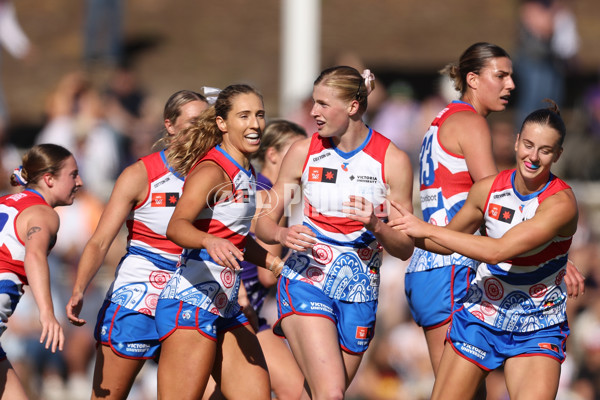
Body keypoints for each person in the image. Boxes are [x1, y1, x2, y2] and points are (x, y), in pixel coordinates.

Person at [391, 101, 581, 400]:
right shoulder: (488, 189)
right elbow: (445, 242)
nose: (533, 157)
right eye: (528, 145)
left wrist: (425, 228)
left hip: (538, 323)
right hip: (482, 316)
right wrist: (387, 228)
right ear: (517, 141)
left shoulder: (561, 203)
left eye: (544, 150)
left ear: (557, 154)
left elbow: (498, 251)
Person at [254, 66, 414, 398]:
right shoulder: (303, 151)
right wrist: (282, 236)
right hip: (306, 281)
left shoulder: (392, 160)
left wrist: (376, 224)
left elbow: (404, 247)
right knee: (332, 393)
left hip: (360, 293)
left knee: (314, 395)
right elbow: (263, 220)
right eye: (314, 103)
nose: (313, 112)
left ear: (353, 106)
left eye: (323, 104)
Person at [65, 90, 208, 399]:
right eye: (194, 121)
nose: (202, 128)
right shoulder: (140, 174)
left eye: (207, 121)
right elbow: (100, 241)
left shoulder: (218, 174)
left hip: (193, 295)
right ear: (169, 125)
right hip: (139, 294)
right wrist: (79, 289)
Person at [155, 84, 279, 400]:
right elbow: (176, 226)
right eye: (244, 116)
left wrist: (275, 263)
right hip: (191, 304)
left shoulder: (246, 171)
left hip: (226, 308)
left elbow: (234, 239)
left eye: (260, 115)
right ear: (222, 123)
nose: (255, 124)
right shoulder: (212, 169)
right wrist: (209, 241)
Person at [404, 43, 515, 386]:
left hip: (427, 267)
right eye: (501, 76)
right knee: (458, 392)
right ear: (473, 79)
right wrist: (544, 249)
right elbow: (493, 203)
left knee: (458, 390)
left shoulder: (442, 119)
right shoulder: (471, 122)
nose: (510, 84)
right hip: (451, 267)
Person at [0, 143, 83, 399]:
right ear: (48, 179)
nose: (79, 182)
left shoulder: (5, 201)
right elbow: (34, 255)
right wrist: (47, 313)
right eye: (73, 174)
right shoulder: (43, 213)